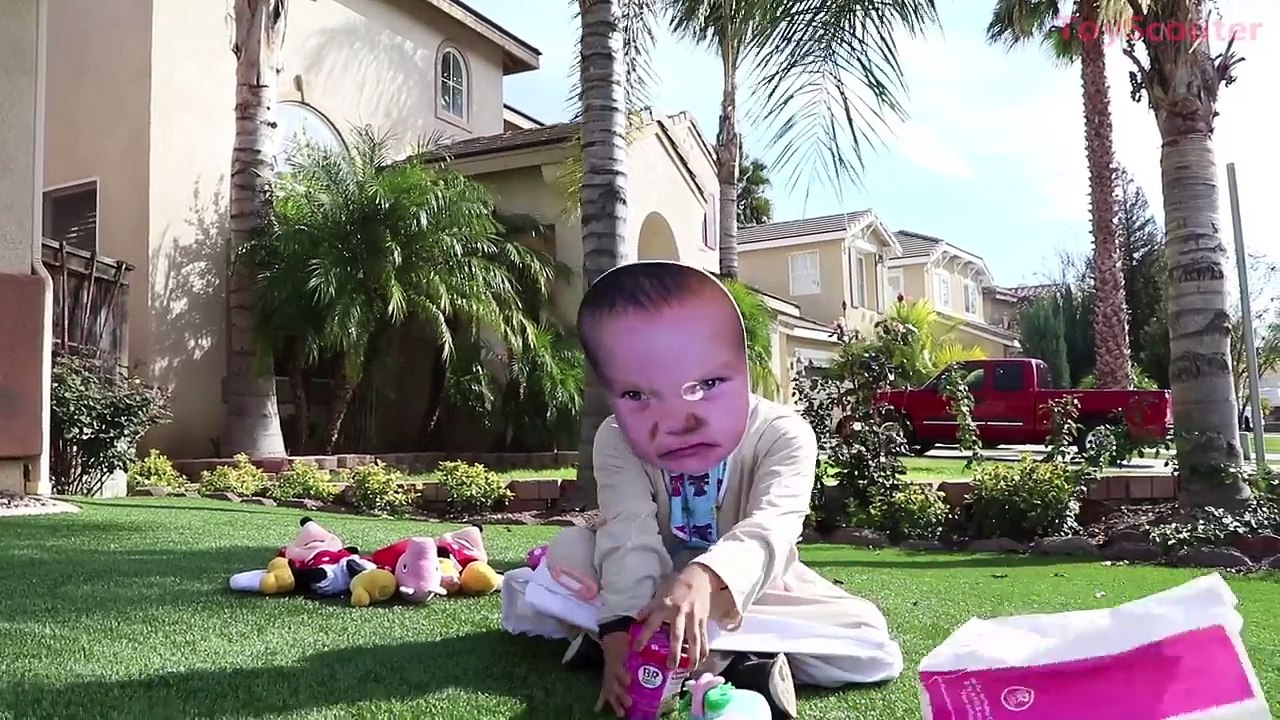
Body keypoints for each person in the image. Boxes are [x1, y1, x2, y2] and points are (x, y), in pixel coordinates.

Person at [499, 261, 903, 719]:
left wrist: (704, 578)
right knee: (553, 571)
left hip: (747, 587)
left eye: (707, 384)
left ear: (744, 368)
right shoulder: (616, 438)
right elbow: (628, 532)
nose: (678, 421)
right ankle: (723, 665)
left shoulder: (783, 433)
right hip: (646, 586)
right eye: (636, 395)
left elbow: (772, 528)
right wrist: (618, 633)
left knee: (868, 641)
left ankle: (688, 658)